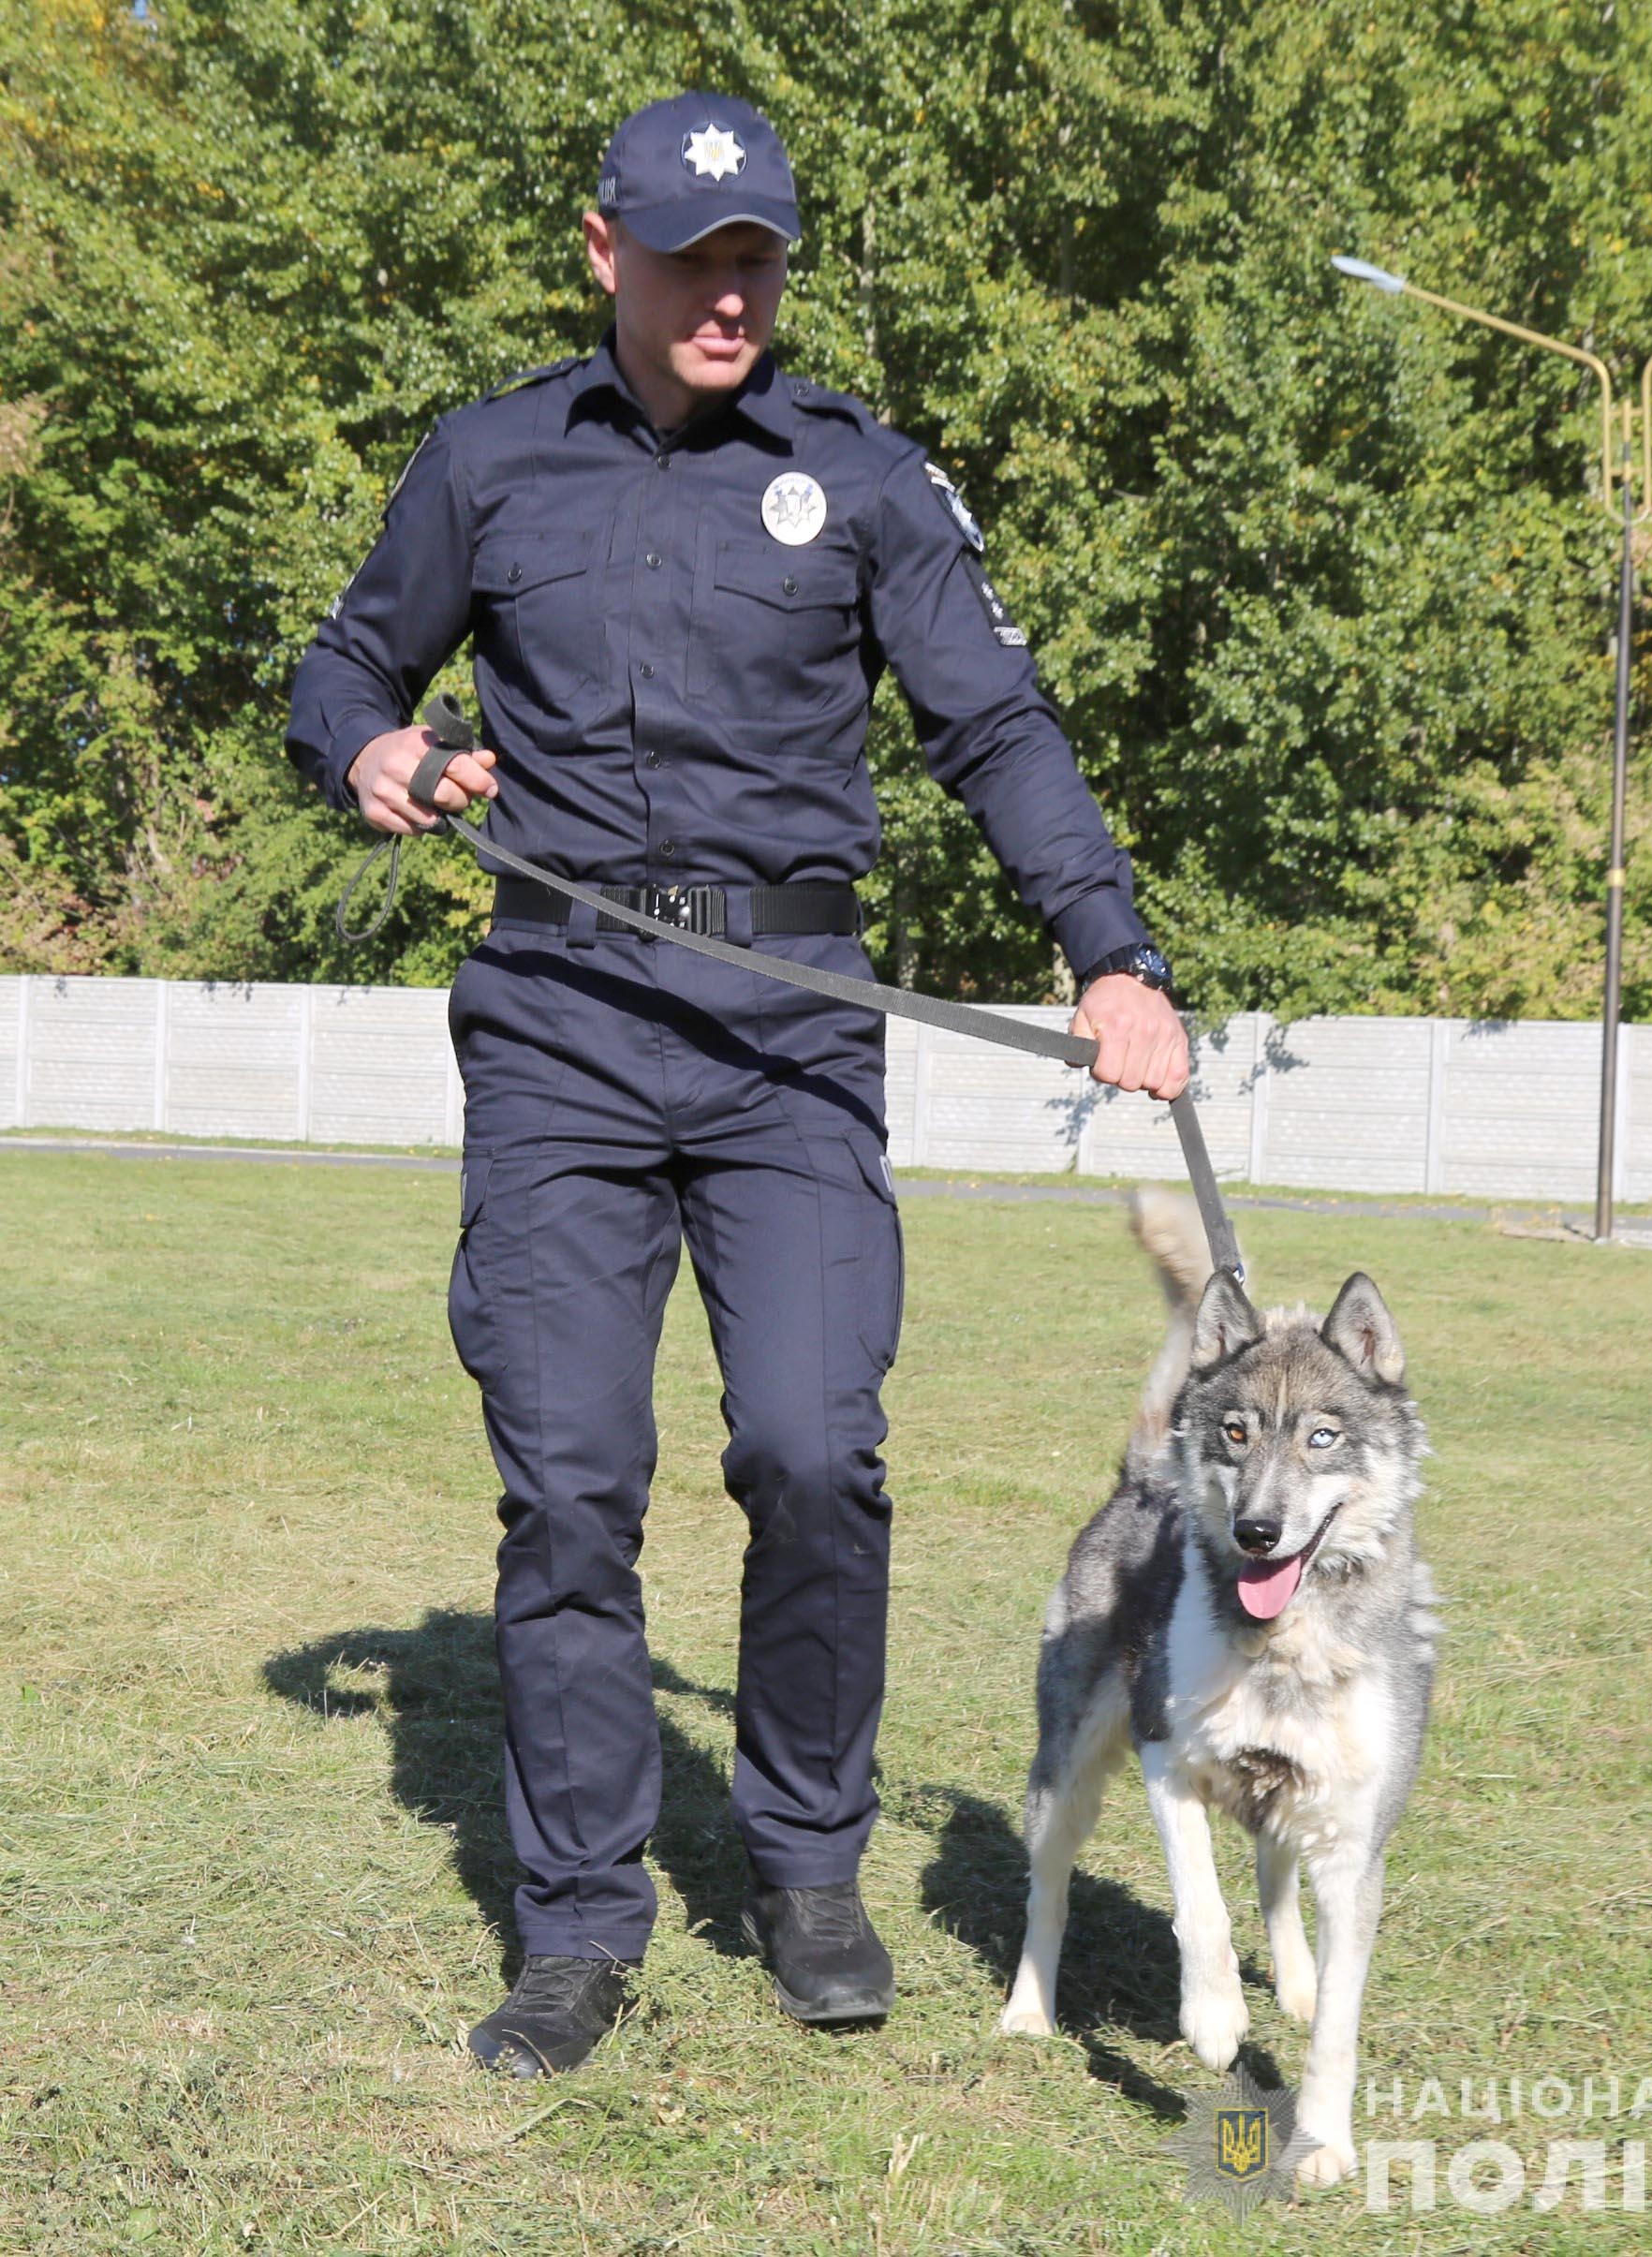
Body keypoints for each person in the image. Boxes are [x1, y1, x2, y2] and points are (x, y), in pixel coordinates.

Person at [286, 92, 1189, 2079]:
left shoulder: (859, 476)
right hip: (558, 1023)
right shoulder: (490, 459)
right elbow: (338, 674)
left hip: (785, 1025)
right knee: (571, 1480)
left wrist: (1111, 950)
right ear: (603, 250)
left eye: (756, 257)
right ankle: (582, 1918)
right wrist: (368, 753)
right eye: (692, 257)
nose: (729, 291)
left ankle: (803, 1860)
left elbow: (999, 727)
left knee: (807, 1441)